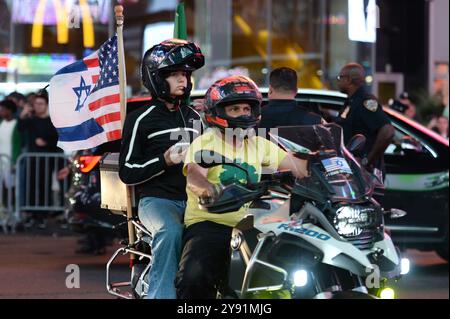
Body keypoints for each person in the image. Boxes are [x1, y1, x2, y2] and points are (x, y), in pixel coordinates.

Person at [175, 75, 309, 299]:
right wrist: (208, 189)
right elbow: (195, 175)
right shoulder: (206, 142)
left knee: (279, 280)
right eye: (235, 109)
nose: (243, 114)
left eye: (247, 108)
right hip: (211, 222)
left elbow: (298, 166)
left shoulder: (258, 144)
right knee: (193, 278)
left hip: (253, 225)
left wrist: (326, 166)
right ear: (218, 112)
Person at [118, 39, 205, 299]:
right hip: (157, 200)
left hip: (193, 200)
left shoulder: (194, 117)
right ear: (157, 78)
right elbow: (128, 170)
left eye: (186, 75)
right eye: (175, 74)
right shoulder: (140, 119)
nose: (183, 80)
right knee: (170, 231)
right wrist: (164, 161)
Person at [334, 63, 394, 175]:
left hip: (364, 174)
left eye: (339, 77)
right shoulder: (351, 102)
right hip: (351, 168)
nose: (338, 81)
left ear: (349, 80)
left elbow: (388, 131)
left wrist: (368, 161)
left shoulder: (365, 102)